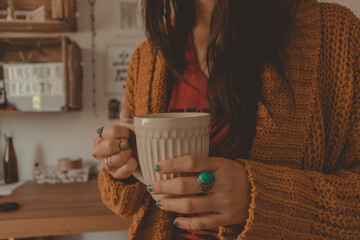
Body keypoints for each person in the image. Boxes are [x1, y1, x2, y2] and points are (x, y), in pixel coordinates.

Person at [92, 0, 360, 239]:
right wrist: (118, 164)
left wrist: (264, 200)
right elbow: (123, 204)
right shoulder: (148, 56)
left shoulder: (336, 35)